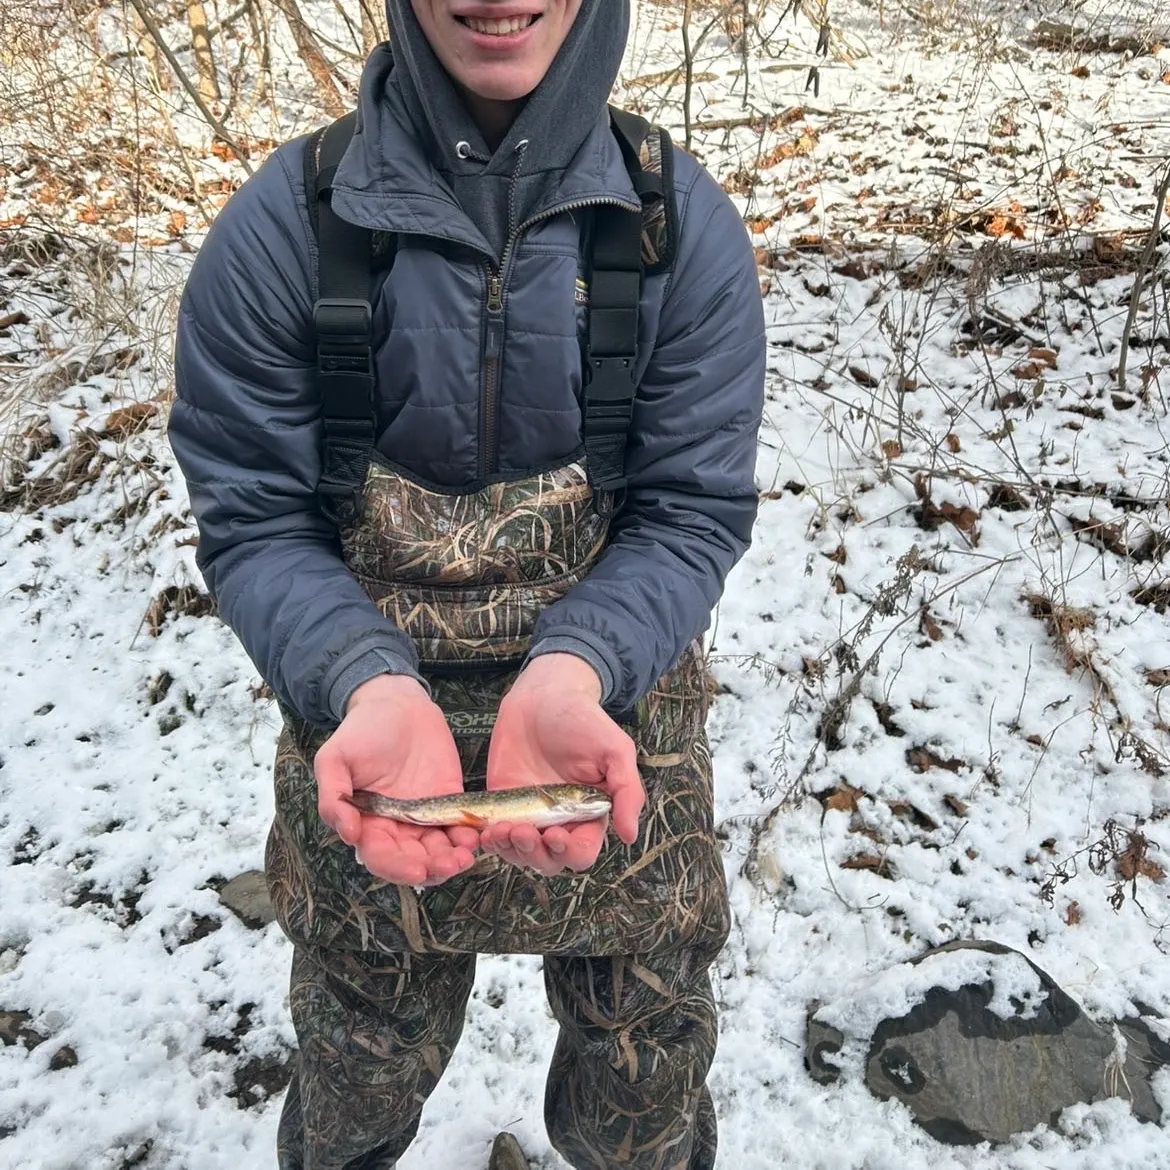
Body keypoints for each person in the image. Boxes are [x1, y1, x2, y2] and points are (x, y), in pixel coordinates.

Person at [168, 2, 765, 1167]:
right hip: (374, 751)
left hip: (609, 731)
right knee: (353, 1080)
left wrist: (579, 663)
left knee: (643, 1090)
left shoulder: (676, 230)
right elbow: (254, 519)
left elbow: (689, 510)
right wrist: (361, 682)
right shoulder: (283, 230)